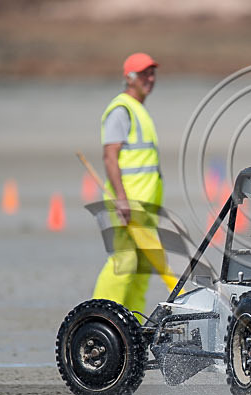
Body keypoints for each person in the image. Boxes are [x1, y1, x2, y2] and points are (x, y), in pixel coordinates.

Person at [92, 52, 178, 320]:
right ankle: (99, 317)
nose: (150, 79)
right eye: (143, 74)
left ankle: (130, 324)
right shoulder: (121, 110)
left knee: (140, 272)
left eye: (152, 73)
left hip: (145, 205)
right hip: (127, 204)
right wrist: (121, 198)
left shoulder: (139, 110)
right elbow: (110, 156)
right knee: (125, 262)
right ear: (129, 77)